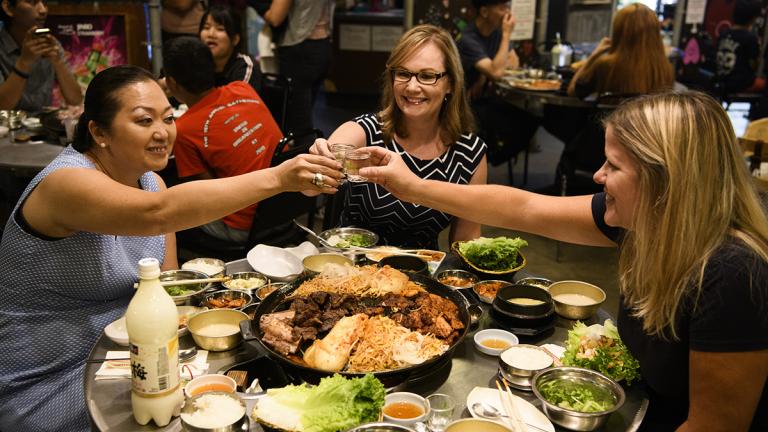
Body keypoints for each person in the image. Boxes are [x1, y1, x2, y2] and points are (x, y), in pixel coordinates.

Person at [360, 91, 768, 431]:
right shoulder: (648, 222)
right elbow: (523, 209)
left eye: (615, 166)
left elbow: (716, 425)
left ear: (666, 180)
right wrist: (412, 186)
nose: (597, 176)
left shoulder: (732, 273)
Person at [0, 65, 341, 431]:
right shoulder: (63, 184)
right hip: (51, 380)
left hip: (135, 357)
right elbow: (157, 215)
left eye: (167, 117)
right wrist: (277, 178)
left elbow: (170, 291)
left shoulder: (152, 183)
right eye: (144, 121)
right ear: (99, 132)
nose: (162, 132)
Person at [310, 24, 487, 250]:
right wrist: (317, 164)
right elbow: (309, 186)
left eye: (427, 76)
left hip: (422, 274)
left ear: (450, 84)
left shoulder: (469, 153)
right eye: (403, 73)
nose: (412, 87)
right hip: (352, 267)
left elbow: (466, 241)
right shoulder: (367, 131)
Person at [164, 36, 282, 243]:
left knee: (166, 205)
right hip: (285, 211)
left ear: (171, 82)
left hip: (241, 229)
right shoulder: (242, 88)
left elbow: (208, 196)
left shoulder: (184, 129)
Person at [456, 0, 540, 166]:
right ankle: (483, 162)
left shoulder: (496, 34)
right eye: (502, 8)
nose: (507, 13)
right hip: (461, 104)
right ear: (485, 12)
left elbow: (513, 63)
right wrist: (507, 36)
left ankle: (492, 158)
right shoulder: (468, 38)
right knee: (502, 123)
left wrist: (485, 71)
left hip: (481, 98)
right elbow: (497, 72)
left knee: (529, 120)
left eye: (508, 7)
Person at [567, 3, 674, 98]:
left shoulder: (605, 65)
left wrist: (594, 54)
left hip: (610, 120)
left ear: (619, 32)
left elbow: (572, 91)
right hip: (645, 121)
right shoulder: (665, 70)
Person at [262, 0, 334, 134]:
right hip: (323, 43)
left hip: (299, 46)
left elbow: (275, 18)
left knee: (298, 124)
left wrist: (257, 6)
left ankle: (302, 151)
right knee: (303, 116)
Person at [0, 0, 82, 111]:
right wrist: (24, 62)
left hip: (41, 124)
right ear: (8, 8)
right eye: (33, 2)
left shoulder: (50, 44)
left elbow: (75, 99)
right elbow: (2, 106)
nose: (43, 10)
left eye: (45, 2)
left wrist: (58, 62)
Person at [199, 5, 261, 91]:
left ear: (235, 39)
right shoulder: (198, 64)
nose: (211, 34)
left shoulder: (245, 66)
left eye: (220, 29)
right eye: (206, 27)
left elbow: (240, 101)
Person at [716, 0, 765, 93]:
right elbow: (754, 64)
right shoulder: (750, 38)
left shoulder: (723, 34)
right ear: (753, 18)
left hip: (722, 80)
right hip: (741, 84)